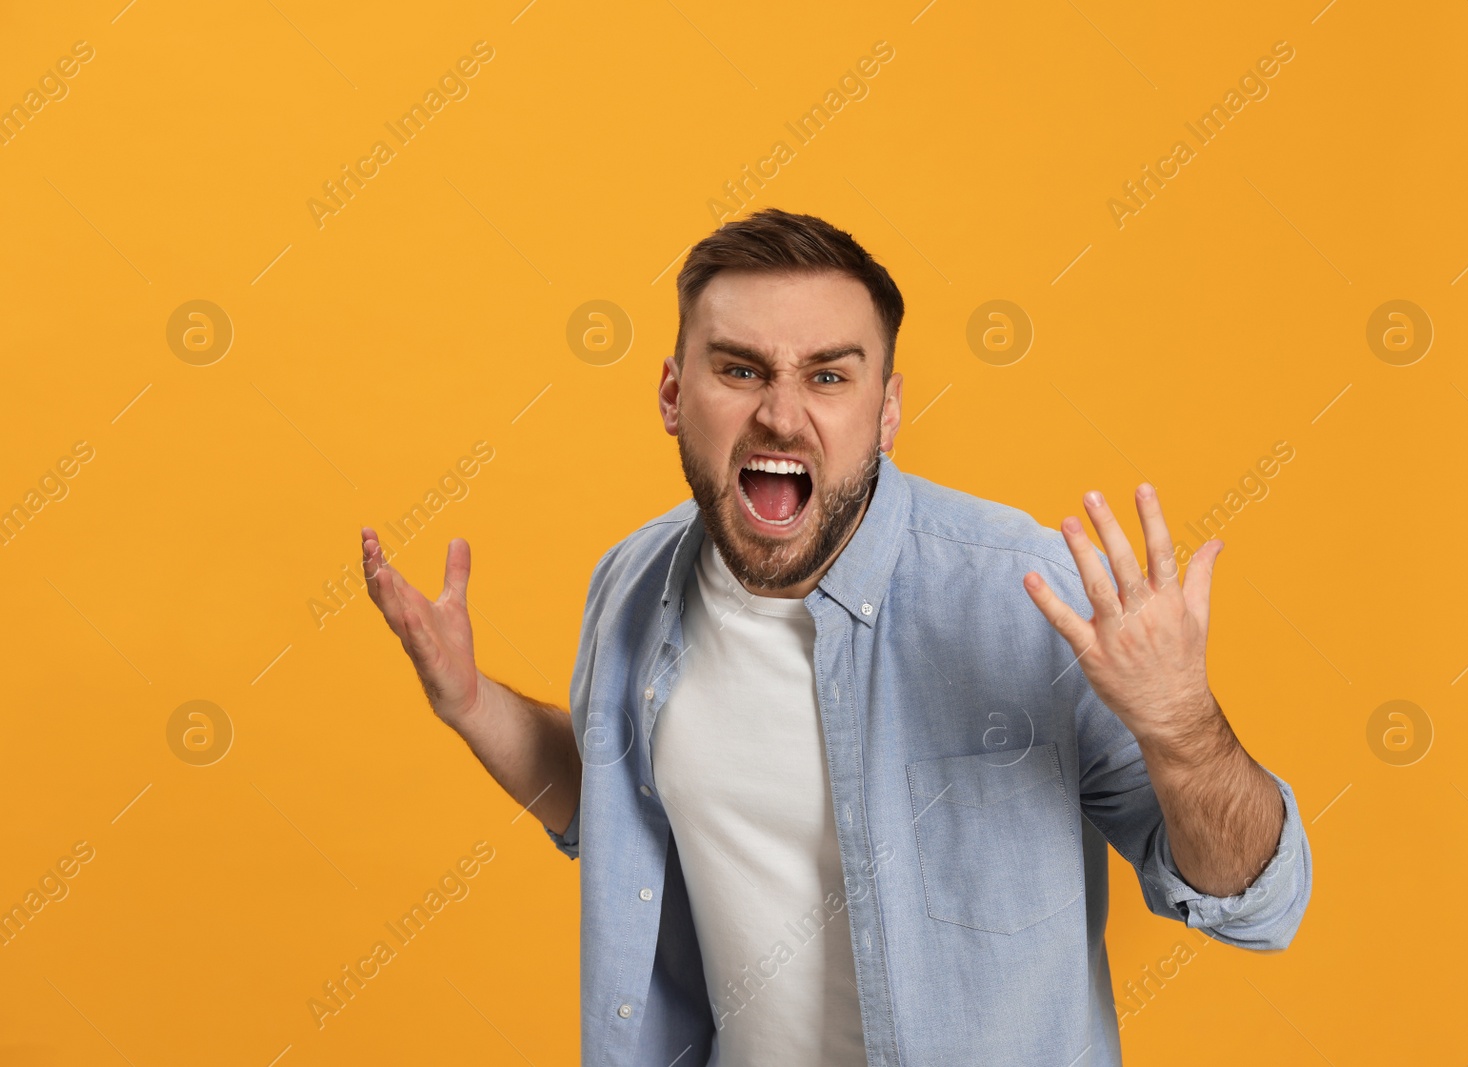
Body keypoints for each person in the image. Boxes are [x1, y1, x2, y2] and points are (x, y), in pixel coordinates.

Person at [360, 207, 1311, 1066]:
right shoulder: (632, 586)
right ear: (670, 393)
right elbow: (617, 802)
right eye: (739, 369)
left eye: (827, 374)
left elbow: (1260, 905)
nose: (781, 411)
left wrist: (1182, 723)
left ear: (887, 408)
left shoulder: (1024, 594)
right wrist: (471, 700)